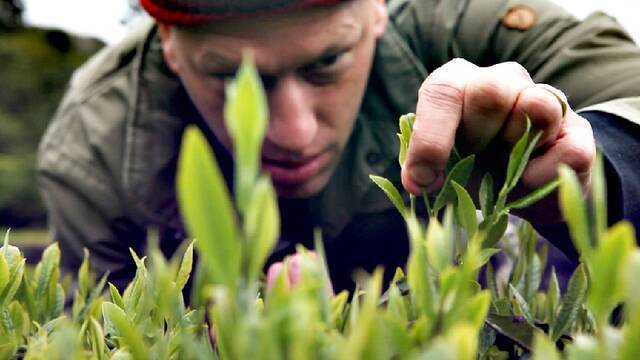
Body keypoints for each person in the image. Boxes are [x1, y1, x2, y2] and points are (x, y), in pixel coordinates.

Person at [37, 0, 640, 292]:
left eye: (327, 63)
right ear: (167, 42)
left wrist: (599, 164)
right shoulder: (95, 152)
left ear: (377, 8)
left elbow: (621, 84)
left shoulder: (458, 22)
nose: (293, 135)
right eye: (230, 78)